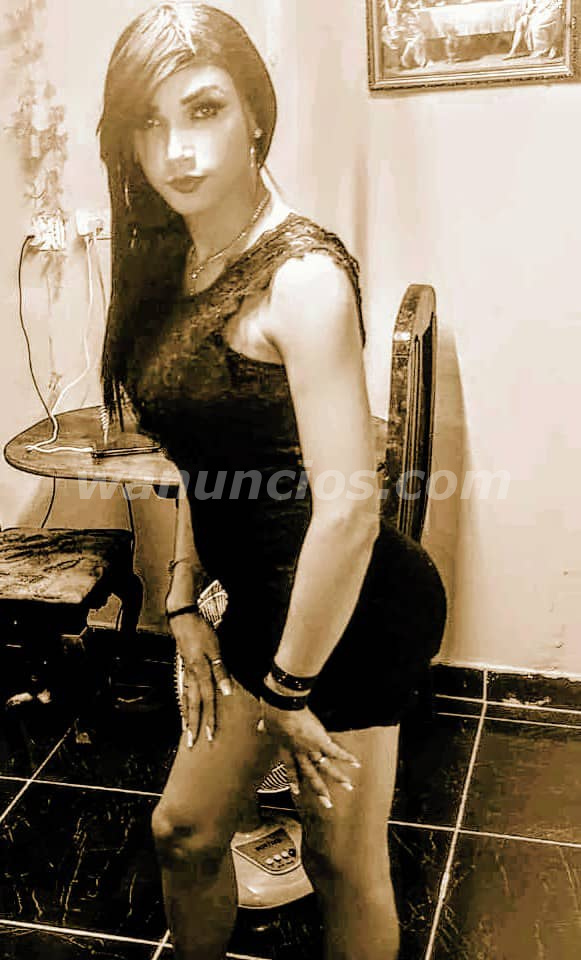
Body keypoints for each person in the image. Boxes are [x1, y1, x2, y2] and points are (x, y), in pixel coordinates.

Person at [98, 3, 447, 958]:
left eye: (204, 109)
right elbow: (199, 457)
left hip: (352, 609)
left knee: (341, 861)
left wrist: (288, 693)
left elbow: (350, 512)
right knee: (184, 833)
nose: (176, 149)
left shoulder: (301, 277)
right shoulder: (173, 263)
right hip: (258, 604)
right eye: (150, 121)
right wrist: (181, 598)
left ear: (255, 113)